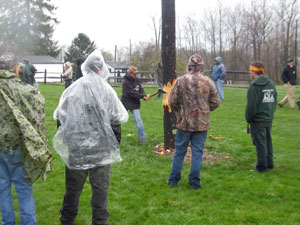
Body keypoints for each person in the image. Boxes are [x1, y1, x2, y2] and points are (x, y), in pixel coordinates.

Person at [53, 50, 128, 225]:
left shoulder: (73, 89)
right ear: (101, 69)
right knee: (100, 190)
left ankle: (67, 220)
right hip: (101, 149)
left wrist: (69, 142)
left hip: (77, 148)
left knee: (72, 189)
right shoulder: (107, 90)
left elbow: (60, 118)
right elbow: (116, 120)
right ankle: (100, 221)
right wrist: (113, 145)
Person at [0, 53, 52, 225]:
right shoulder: (23, 89)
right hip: (17, 147)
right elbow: (38, 105)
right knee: (23, 188)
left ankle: (7, 222)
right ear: (16, 68)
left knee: (2, 189)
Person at [167, 54, 220, 190]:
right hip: (201, 124)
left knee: (179, 151)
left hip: (184, 123)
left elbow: (172, 101)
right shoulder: (208, 81)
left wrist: (180, 111)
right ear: (201, 66)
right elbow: (215, 102)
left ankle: (173, 180)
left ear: (189, 65)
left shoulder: (180, 80)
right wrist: (204, 111)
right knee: (197, 152)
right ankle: (194, 182)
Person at [246, 61, 277, 172]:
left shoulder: (254, 86)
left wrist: (249, 118)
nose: (250, 72)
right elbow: (274, 102)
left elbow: (251, 106)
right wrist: (270, 115)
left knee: (260, 143)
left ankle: (262, 167)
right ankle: (269, 163)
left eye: (251, 70)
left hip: (257, 120)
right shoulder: (271, 84)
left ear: (254, 71)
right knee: (268, 141)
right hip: (268, 118)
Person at [121, 66, 151, 144]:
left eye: (136, 74)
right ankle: (114, 137)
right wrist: (142, 96)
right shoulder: (125, 82)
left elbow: (140, 89)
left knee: (138, 121)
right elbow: (132, 94)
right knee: (118, 120)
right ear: (129, 73)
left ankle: (142, 139)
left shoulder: (136, 79)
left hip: (135, 103)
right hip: (126, 103)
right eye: (134, 74)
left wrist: (144, 95)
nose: (136, 76)